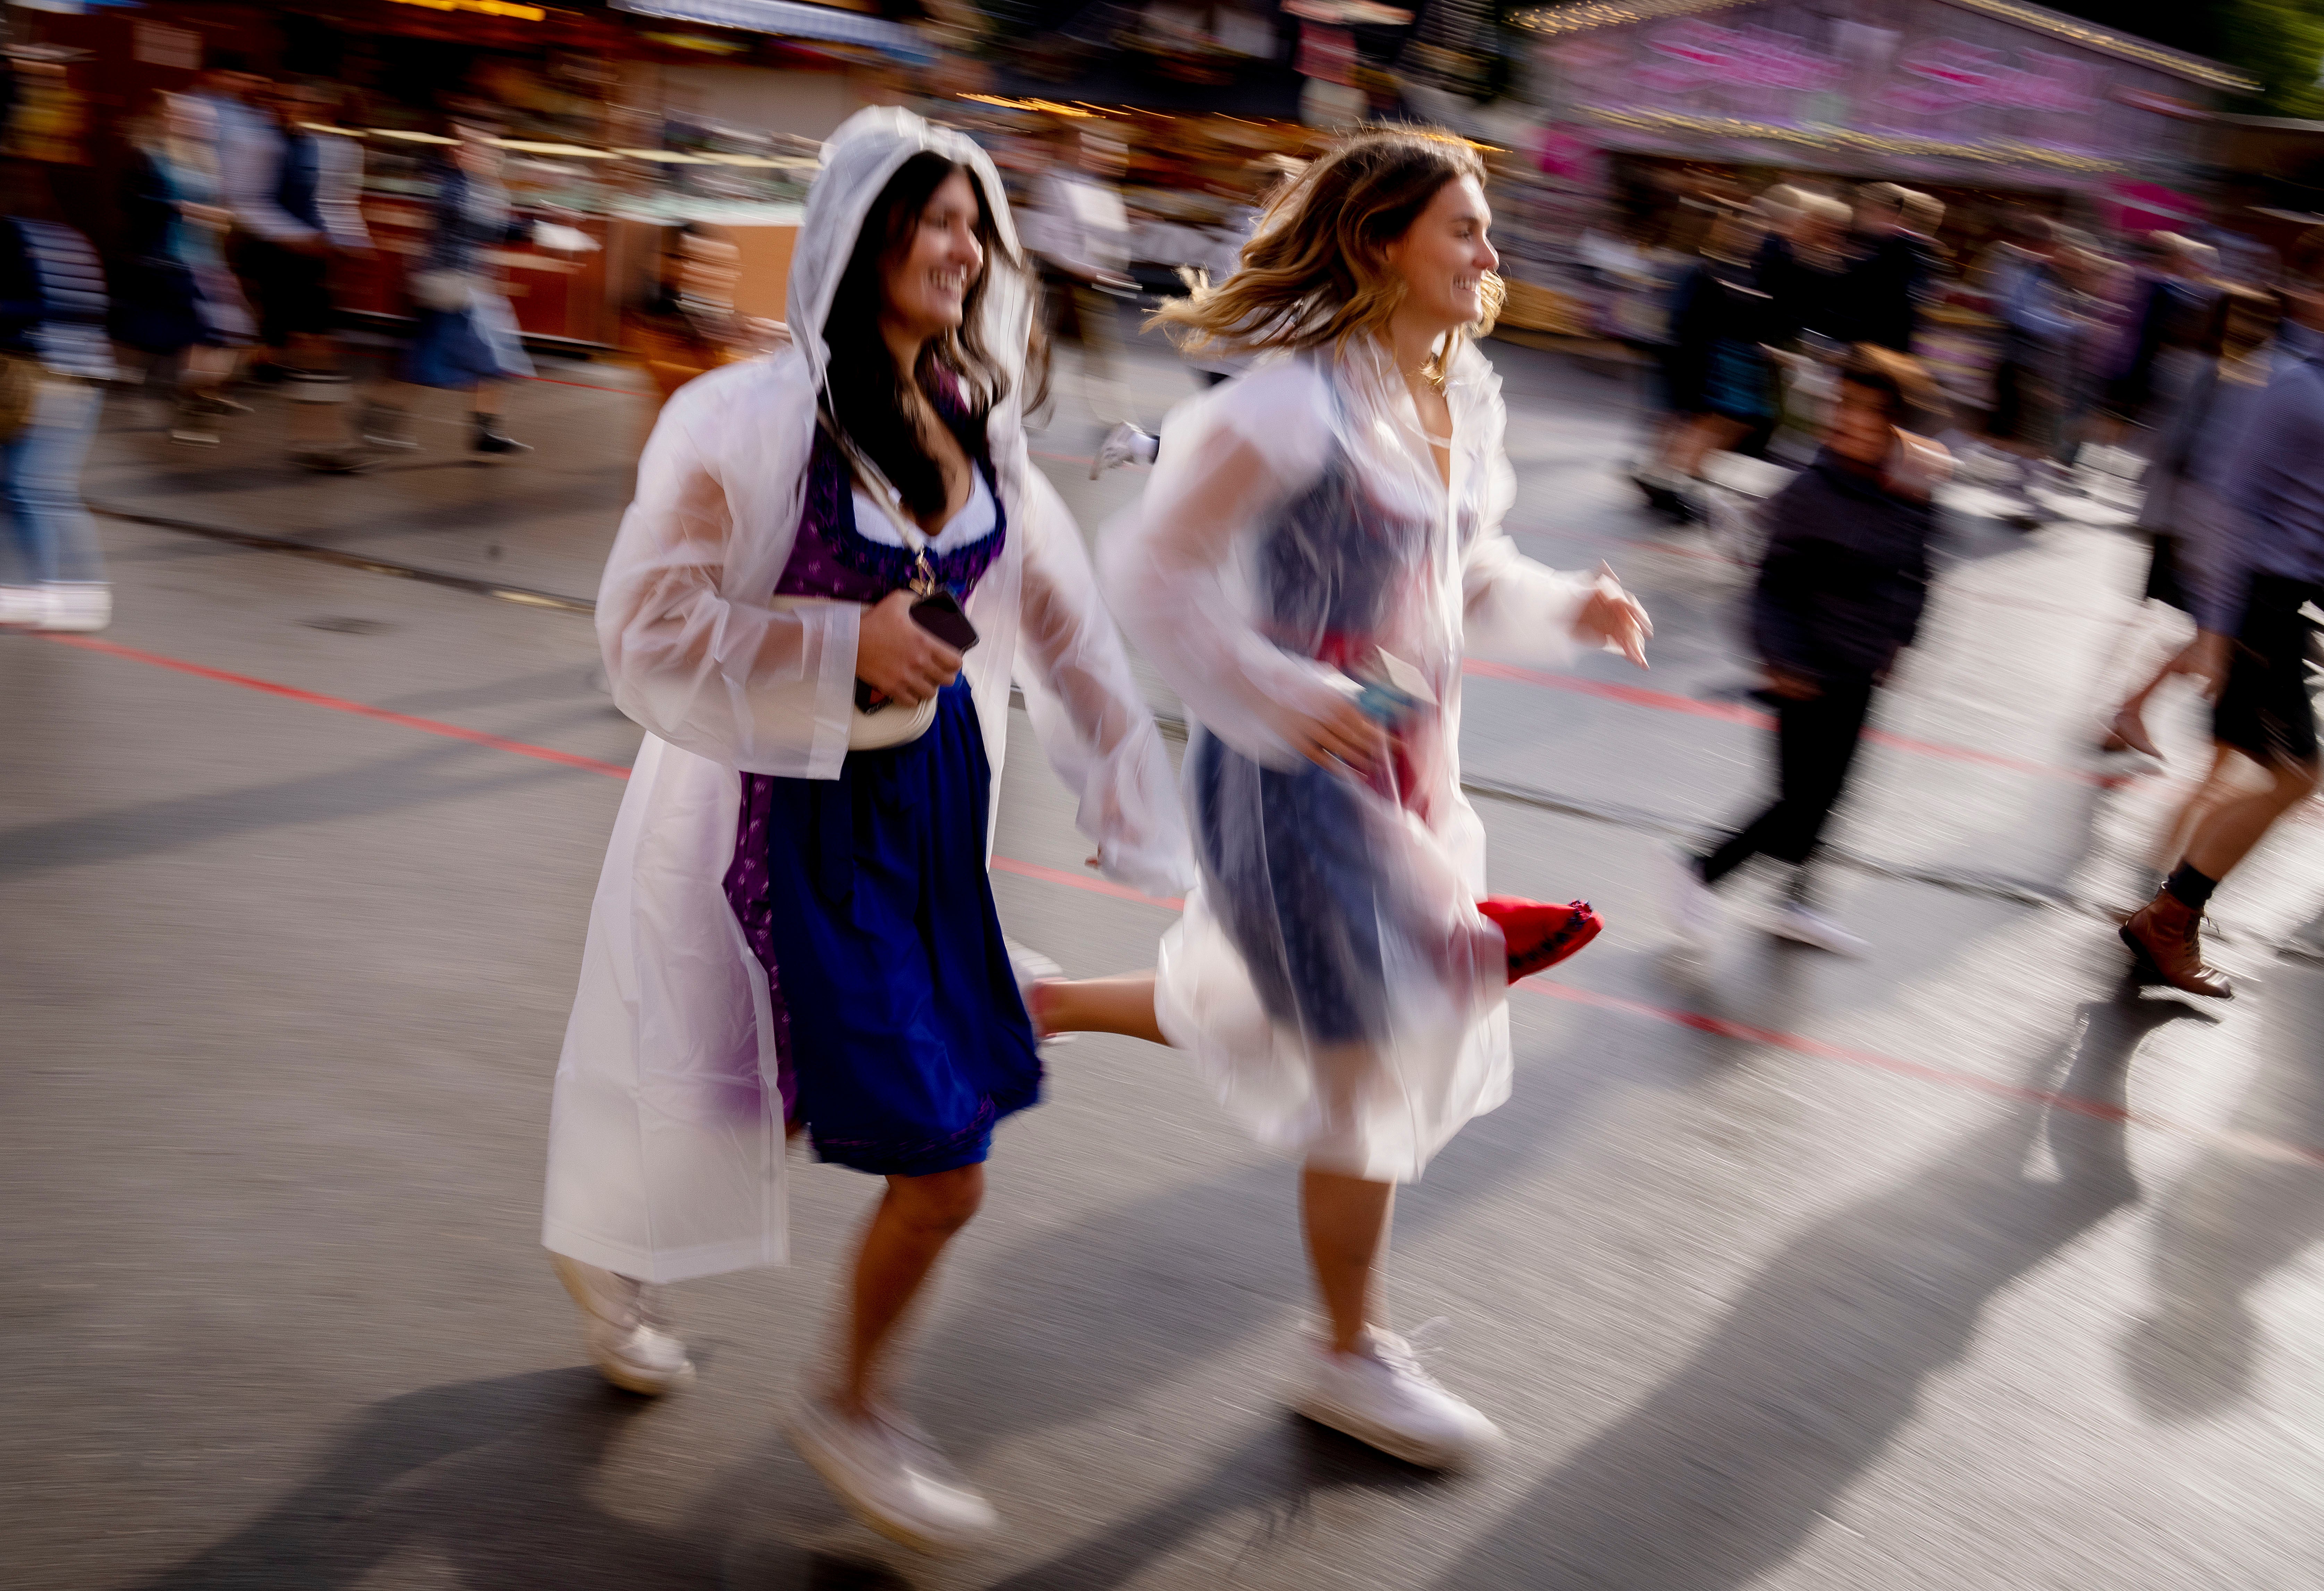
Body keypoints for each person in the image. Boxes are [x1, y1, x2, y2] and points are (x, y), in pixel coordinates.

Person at [539, 107, 1186, 1552]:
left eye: (978, 223)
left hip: (935, 803)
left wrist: (1126, 791)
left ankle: (616, 1248)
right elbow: (645, 632)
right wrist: (843, 647)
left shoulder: (975, 417)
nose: (965, 247)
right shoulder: (744, 423)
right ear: (856, 231)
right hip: (793, 814)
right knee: (920, 1149)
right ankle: (845, 1403)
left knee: (770, 1090)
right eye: (936, 217)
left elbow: (1060, 612)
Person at [1030, 129, 1654, 1471]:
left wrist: (1572, 604)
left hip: (1406, 768)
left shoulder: (1453, 391)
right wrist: (1266, 678)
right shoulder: (1287, 404)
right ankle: (1344, 1352)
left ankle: (1039, 1004)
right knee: (1371, 1049)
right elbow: (1149, 568)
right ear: (1378, 243)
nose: (1489, 256)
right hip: (1287, 778)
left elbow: (1460, 572)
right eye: (1464, 230)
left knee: (1285, 1001)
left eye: (1486, 230)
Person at [1667, 347, 1949, 956]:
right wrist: (1783, 659)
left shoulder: (1910, 490)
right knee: (1797, 802)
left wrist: (1903, 636)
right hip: (1802, 668)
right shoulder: (1812, 491)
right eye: (1841, 404)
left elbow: (1918, 571)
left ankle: (1798, 900)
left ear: (1895, 423)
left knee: (1833, 796)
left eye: (1866, 410)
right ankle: (1698, 869)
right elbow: (1769, 584)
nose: (1846, 418)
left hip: (1859, 666)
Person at [2119, 228, 2324, 999]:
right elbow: (2228, 506)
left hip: (2288, 602)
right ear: (2309, 292)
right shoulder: (2288, 383)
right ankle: (2166, 918)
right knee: (2294, 777)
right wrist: (2216, 629)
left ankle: (2167, 913)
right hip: (2262, 608)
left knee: (2271, 776)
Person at [221, 77, 372, 470]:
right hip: (274, 256)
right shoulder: (257, 142)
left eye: (303, 100)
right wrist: (295, 237)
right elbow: (245, 202)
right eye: (287, 98)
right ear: (273, 102)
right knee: (313, 347)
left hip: (308, 257)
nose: (295, 106)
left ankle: (316, 439)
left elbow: (327, 201)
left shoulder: (313, 145)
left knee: (314, 347)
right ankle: (319, 442)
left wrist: (353, 241)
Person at [0, 161, 118, 632]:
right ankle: (42, 590)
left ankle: (72, 591)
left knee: (34, 486)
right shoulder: (66, 239)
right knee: (30, 486)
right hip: (75, 376)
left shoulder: (17, 239)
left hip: (52, 376)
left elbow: (33, 309)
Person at [112, 92, 255, 446]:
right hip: (167, 260)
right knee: (199, 336)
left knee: (222, 336)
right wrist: (180, 208)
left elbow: (221, 212)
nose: (199, 126)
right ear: (166, 120)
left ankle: (187, 400)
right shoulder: (149, 156)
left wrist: (225, 222)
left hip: (208, 263)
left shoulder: (208, 160)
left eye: (204, 122)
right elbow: (131, 202)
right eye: (187, 119)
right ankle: (190, 407)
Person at [619, 221, 784, 436]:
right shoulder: (662, 323)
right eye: (707, 263)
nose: (722, 274)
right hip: (685, 443)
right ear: (683, 268)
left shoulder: (717, 317)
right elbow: (686, 378)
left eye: (728, 265)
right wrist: (757, 364)